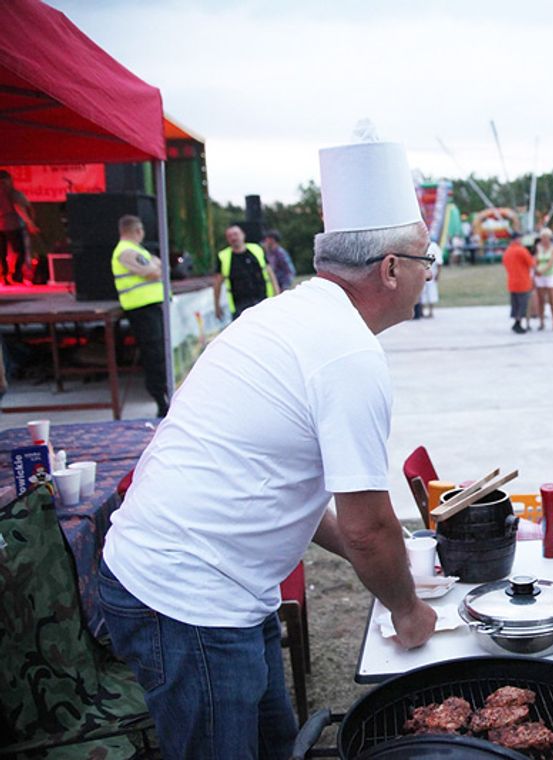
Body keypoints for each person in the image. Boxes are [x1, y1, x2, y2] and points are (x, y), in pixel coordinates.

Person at [98, 139, 439, 758]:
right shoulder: (348, 355)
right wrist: (407, 609)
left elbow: (284, 488)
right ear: (390, 269)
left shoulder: (284, 315)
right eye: (426, 260)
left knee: (275, 745)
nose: (428, 274)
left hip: (214, 586)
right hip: (188, 598)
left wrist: (405, 556)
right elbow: (367, 528)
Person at [111, 215, 169, 417]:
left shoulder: (136, 250)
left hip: (148, 307)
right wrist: (156, 265)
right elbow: (153, 271)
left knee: (158, 353)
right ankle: (161, 400)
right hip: (141, 308)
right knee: (154, 355)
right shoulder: (127, 251)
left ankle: (163, 397)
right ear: (137, 231)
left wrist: (156, 265)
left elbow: (159, 267)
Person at [214, 224, 279, 320]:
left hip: (264, 300)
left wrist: (277, 294)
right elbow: (217, 284)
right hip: (240, 306)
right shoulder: (223, 257)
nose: (233, 238)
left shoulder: (257, 249)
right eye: (229, 236)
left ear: (243, 235)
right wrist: (217, 305)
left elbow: (270, 273)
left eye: (235, 234)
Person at [0, 169, 38, 285]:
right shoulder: (13, 193)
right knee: (20, 251)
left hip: (1, 225)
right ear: (8, 180)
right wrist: (30, 223)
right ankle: (16, 274)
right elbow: (19, 208)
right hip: (13, 225)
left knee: (2, 252)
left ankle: (4, 275)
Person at [503, 231, 533, 333]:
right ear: (517, 239)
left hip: (512, 282)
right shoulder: (521, 250)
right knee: (523, 304)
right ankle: (518, 323)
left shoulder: (507, 251)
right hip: (522, 281)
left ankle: (516, 321)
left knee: (515, 304)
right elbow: (531, 263)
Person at [533, 227, 553, 330]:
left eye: (546, 237)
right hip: (540, 277)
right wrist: (536, 270)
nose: (544, 239)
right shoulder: (538, 247)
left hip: (551, 275)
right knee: (541, 300)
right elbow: (535, 259)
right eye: (542, 237)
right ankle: (541, 322)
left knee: (552, 300)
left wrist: (541, 271)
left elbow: (551, 262)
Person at [418, 241, 442, 318]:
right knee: (422, 292)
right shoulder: (420, 246)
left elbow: (439, 261)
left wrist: (438, 273)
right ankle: (421, 311)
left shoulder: (434, 247)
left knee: (432, 291)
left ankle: (431, 311)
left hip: (432, 272)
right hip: (421, 273)